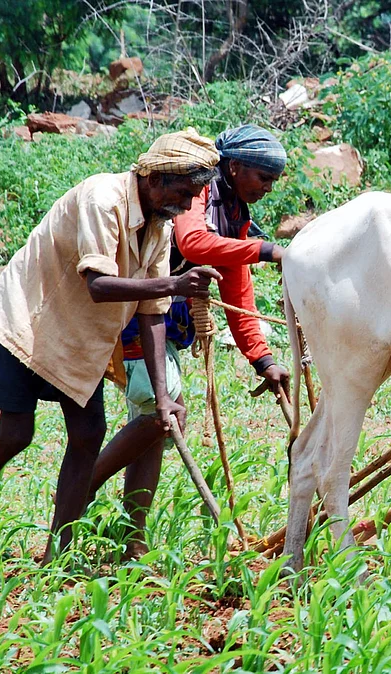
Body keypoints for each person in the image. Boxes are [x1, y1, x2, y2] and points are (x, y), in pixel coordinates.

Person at [0, 128, 223, 567]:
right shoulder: (103, 199)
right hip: (29, 317)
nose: (190, 202)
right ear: (156, 178)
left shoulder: (159, 225)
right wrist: (176, 283)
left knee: (87, 434)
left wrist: (162, 397)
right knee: (15, 434)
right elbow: (99, 285)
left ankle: (57, 554)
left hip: (80, 334)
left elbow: (152, 312)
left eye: (195, 194)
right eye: (184, 191)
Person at [86, 124, 290, 558]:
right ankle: (80, 487)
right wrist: (265, 250)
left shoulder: (234, 213)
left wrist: (263, 359)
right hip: (136, 314)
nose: (268, 188)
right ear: (233, 168)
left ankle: (133, 538)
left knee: (158, 424)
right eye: (262, 177)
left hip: (165, 322)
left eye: (273, 181)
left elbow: (238, 289)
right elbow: (194, 243)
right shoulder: (197, 189)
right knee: (160, 409)